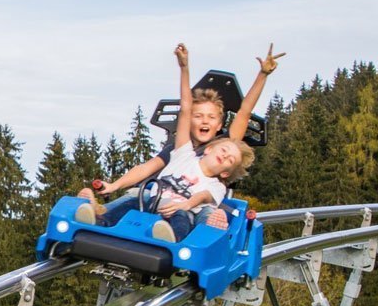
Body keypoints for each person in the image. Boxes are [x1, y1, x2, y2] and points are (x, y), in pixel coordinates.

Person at [79, 41, 283, 227]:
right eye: (199, 116)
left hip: (192, 207)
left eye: (211, 118)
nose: (205, 121)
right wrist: (113, 185)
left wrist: (262, 75)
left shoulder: (224, 147)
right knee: (134, 196)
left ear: (219, 123)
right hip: (158, 197)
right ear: (190, 120)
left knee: (200, 214)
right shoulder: (180, 150)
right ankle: (95, 214)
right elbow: (145, 168)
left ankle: (181, 235)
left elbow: (244, 112)